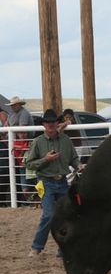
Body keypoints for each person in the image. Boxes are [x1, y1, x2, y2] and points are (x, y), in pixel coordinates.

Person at [25, 109, 82, 257]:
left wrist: (79, 166)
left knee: (66, 215)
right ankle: (37, 247)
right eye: (48, 122)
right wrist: (45, 159)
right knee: (49, 215)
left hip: (62, 182)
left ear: (57, 123)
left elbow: (73, 158)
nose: (50, 125)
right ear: (44, 124)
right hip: (46, 182)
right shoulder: (38, 142)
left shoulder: (65, 141)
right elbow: (29, 164)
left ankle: (60, 249)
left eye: (53, 122)